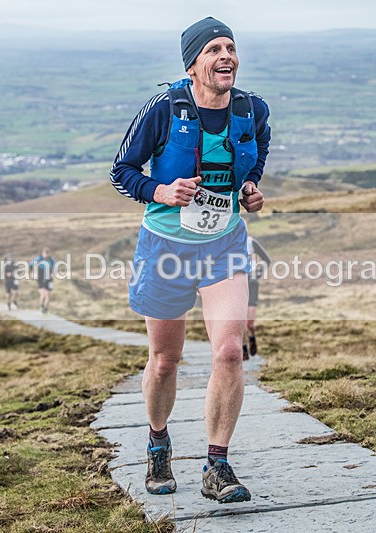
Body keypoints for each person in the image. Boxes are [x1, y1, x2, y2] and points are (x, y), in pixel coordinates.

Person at [110, 16, 271, 504]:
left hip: (224, 244)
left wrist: (248, 186)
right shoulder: (164, 108)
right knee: (165, 360)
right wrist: (161, 189)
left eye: (231, 47)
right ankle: (158, 443)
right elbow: (121, 171)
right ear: (193, 63)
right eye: (214, 50)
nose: (227, 56)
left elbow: (258, 152)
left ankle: (217, 466)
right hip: (165, 247)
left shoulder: (252, 109)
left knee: (228, 351)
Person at [244, 234, 271, 359]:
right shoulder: (227, 240)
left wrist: (258, 274)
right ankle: (243, 349)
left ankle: (252, 337)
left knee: (249, 323)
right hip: (237, 284)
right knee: (240, 322)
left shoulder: (251, 242)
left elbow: (267, 260)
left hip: (252, 284)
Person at [29, 248, 56, 314]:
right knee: (43, 294)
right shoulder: (39, 258)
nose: (46, 255)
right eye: (45, 253)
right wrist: (32, 272)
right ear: (42, 253)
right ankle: (41, 307)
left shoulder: (51, 259)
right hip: (40, 276)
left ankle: (46, 308)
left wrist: (53, 273)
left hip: (49, 278)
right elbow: (31, 264)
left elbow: (55, 267)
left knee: (48, 295)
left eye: (47, 253)